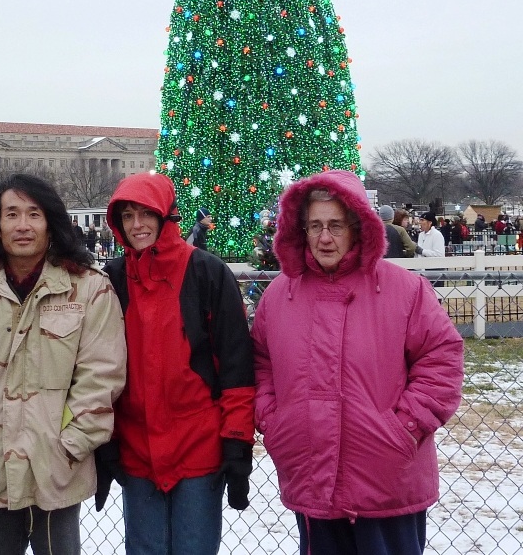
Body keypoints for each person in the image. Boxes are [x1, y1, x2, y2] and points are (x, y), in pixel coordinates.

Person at [251, 170, 463, 555]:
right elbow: (260, 362)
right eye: (315, 226)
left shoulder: (404, 290)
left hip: (387, 480)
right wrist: (273, 419)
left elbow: (441, 358)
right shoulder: (280, 295)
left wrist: (404, 429)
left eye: (335, 225)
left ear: (357, 227)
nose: (325, 238)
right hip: (311, 474)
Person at [0, 174, 127, 555]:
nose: (23, 225)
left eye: (34, 214)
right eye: (12, 214)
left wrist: (70, 446)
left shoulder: (87, 289)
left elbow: (101, 377)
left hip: (55, 468)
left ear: (51, 223)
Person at [101, 173, 255, 555]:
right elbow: (98, 366)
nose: (137, 226)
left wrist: (237, 443)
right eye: (128, 216)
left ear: (166, 215)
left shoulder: (206, 273)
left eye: (146, 214)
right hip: (137, 448)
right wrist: (104, 441)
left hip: (198, 446)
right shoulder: (114, 279)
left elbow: (235, 366)